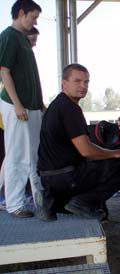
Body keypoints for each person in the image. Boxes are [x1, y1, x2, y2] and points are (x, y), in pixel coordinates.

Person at [35, 63, 120, 221]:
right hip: (67, 177)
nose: (83, 86)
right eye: (77, 81)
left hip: (47, 178)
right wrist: (114, 153)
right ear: (64, 83)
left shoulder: (56, 105)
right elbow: (86, 151)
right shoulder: (70, 108)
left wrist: (107, 153)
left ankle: (51, 201)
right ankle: (84, 202)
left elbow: (84, 145)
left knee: (101, 161)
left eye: (86, 81)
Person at [0, 0, 44, 218]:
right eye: (33, 17)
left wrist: (40, 102)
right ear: (20, 13)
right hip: (17, 105)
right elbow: (4, 70)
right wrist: (17, 104)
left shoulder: (23, 39)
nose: (35, 22)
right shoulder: (8, 36)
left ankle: (38, 198)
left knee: (32, 154)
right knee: (17, 154)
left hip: (32, 105)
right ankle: (15, 204)